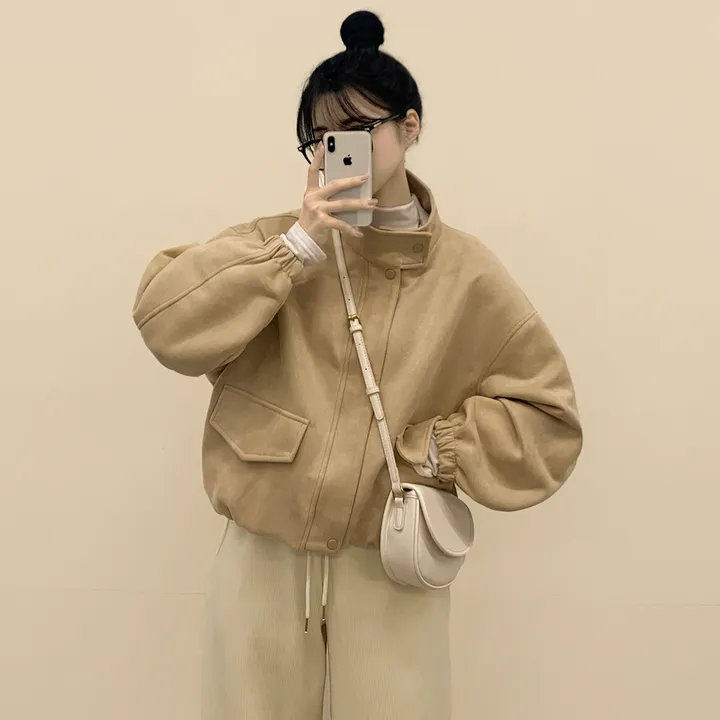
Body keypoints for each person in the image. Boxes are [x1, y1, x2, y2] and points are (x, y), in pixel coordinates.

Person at [132, 10, 583, 720]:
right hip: (261, 560)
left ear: (410, 127)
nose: (337, 148)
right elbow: (164, 321)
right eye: (321, 137)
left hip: (390, 565)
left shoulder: (466, 275)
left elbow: (550, 422)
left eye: (359, 127)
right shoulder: (275, 245)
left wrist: (434, 448)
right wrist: (297, 248)